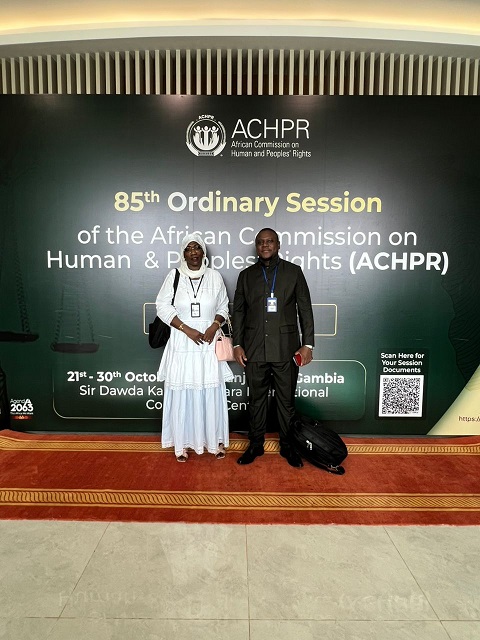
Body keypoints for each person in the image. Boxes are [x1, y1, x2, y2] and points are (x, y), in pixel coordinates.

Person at [233, 228, 315, 468]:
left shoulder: (293, 272)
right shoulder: (246, 276)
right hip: (254, 349)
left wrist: (308, 344)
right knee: (256, 400)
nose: (265, 246)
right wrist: (237, 344)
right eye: (260, 242)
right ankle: (255, 444)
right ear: (256, 246)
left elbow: (305, 309)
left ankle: (288, 446)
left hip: (285, 350)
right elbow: (238, 312)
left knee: (286, 402)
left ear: (278, 244)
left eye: (269, 241)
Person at [156, 233, 233, 462]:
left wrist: (214, 325)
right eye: (188, 248)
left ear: (203, 252)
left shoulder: (215, 276)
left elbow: (223, 306)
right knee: (184, 392)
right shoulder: (174, 275)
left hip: (208, 343)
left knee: (210, 391)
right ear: (183, 253)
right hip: (182, 342)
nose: (193, 252)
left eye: (197, 247)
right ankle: (182, 444)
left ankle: (214, 441)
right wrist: (186, 329)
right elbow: (162, 306)